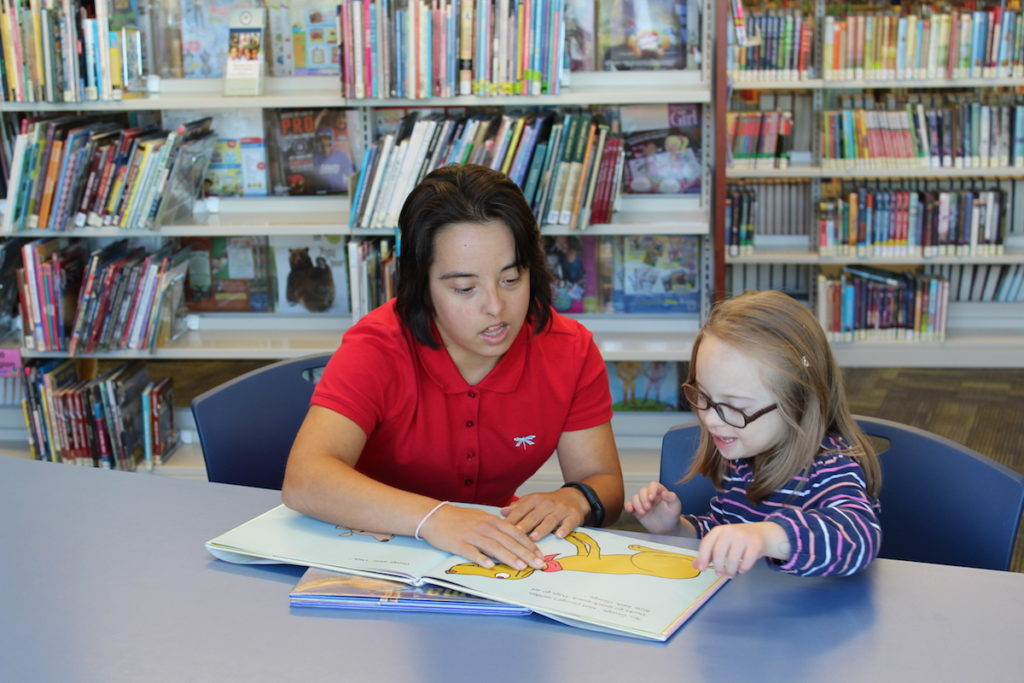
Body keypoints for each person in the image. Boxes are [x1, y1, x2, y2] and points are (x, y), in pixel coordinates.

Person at [282, 163, 623, 573]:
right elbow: (304, 478)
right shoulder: (378, 346)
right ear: (420, 285)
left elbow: (602, 480)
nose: (495, 307)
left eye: (511, 279)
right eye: (464, 289)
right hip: (372, 552)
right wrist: (436, 519)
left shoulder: (568, 348)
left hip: (484, 559)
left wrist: (576, 498)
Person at [626, 290, 882, 578]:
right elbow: (727, 534)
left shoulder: (830, 466)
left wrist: (768, 537)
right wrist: (675, 528)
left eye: (735, 407)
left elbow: (858, 538)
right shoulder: (743, 456)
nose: (710, 419)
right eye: (703, 396)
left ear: (797, 401)